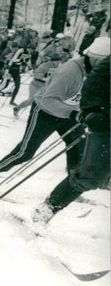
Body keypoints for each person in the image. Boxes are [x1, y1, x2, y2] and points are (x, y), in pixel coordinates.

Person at [0, 36, 110, 191]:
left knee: (79, 150)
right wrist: (73, 114)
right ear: (96, 59)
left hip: (71, 114)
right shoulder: (70, 71)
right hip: (45, 112)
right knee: (26, 152)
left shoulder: (98, 74)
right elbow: (48, 101)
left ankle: (71, 188)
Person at [27, 54, 109, 232]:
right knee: (91, 175)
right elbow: (96, 80)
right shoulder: (78, 69)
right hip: (106, 124)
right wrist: (93, 111)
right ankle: (48, 208)